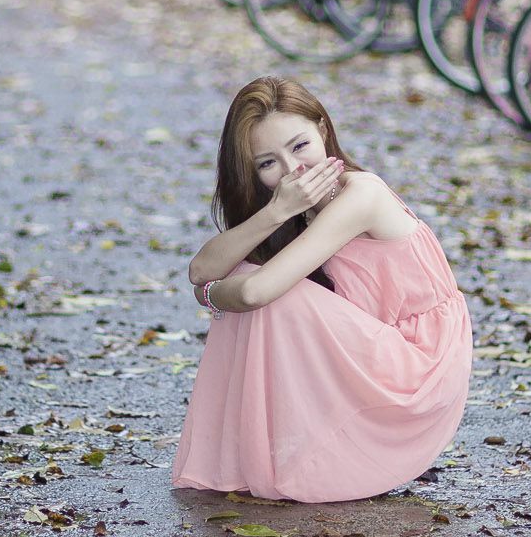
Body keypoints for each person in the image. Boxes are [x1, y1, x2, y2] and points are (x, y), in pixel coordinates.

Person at [170, 76, 473, 503]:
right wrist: (277, 211)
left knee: (273, 293)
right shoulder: (296, 206)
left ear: (323, 131)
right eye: (268, 163)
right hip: (375, 346)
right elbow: (202, 267)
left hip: (418, 366)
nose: (294, 170)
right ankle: (259, 449)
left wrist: (211, 296)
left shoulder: (361, 194)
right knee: (247, 270)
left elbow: (253, 293)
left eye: (299, 146)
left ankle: (273, 455)